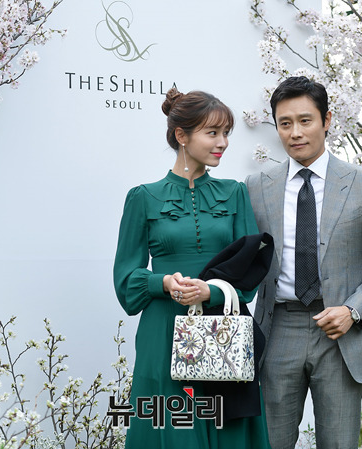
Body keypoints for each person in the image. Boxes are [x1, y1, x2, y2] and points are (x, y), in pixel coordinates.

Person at [246, 76, 362, 449]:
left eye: (305, 120)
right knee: (271, 443)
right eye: (285, 123)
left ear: (327, 120)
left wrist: (353, 309)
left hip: (341, 334)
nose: (295, 133)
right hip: (278, 329)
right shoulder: (257, 186)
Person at [113, 87, 271, 449]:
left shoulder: (234, 193)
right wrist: (163, 282)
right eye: (212, 133)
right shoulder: (143, 198)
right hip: (163, 333)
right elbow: (126, 282)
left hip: (222, 331)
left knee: (226, 427)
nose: (223, 143)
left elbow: (250, 271)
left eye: (226, 133)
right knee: (172, 429)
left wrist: (210, 291)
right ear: (181, 136)